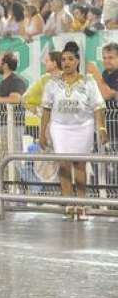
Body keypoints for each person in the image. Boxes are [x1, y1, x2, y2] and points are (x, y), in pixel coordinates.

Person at [40, 42, 108, 221]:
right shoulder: (52, 83)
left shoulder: (89, 81)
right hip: (60, 127)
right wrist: (42, 133)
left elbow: (98, 107)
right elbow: (46, 109)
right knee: (63, 164)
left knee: (79, 165)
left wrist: (101, 128)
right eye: (63, 59)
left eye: (70, 59)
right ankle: (69, 204)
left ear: (78, 61)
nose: (66, 62)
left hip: (83, 127)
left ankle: (82, 203)